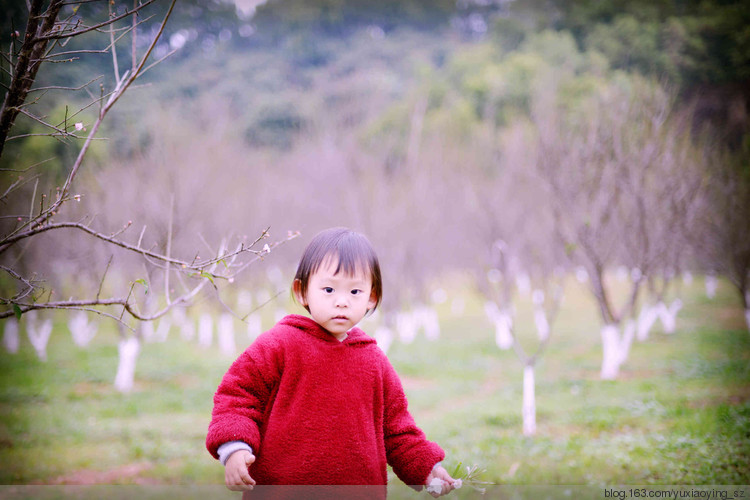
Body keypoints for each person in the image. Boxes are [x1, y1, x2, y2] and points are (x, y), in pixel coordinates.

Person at [206, 227, 458, 498]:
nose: (341, 302)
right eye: (328, 289)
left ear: (371, 297)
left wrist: (426, 468)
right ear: (301, 291)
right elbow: (237, 398)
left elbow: (397, 429)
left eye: (355, 291)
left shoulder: (373, 359)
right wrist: (235, 448)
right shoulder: (278, 345)